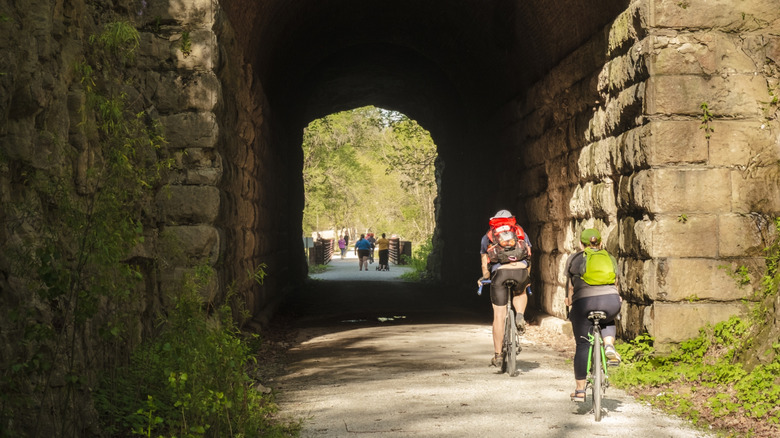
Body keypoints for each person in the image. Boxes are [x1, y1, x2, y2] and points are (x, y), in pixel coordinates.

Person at [563, 228, 622, 402]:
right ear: (601, 243)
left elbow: (570, 288)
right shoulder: (609, 258)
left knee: (583, 344)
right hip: (610, 300)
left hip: (584, 303)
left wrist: (568, 301)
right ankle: (609, 344)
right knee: (608, 318)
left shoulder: (574, 259)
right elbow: (616, 283)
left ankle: (580, 391)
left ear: (581, 244)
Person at [479, 209, 532, 367]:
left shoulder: (488, 235)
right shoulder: (520, 232)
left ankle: (498, 355)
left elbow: (484, 263)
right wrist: (527, 277)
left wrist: (485, 277)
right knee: (520, 291)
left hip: (500, 274)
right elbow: (529, 255)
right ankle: (520, 315)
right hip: (520, 271)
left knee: (499, 316)